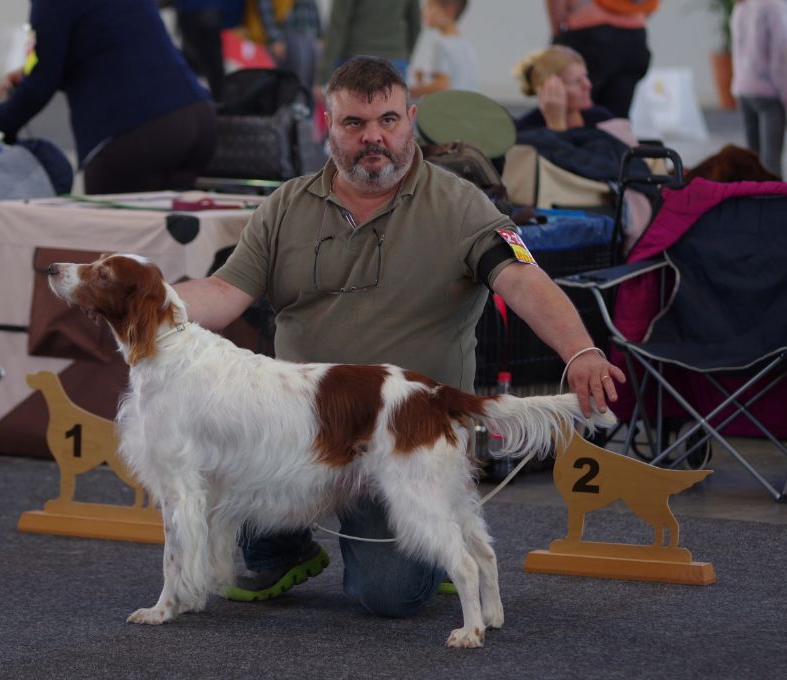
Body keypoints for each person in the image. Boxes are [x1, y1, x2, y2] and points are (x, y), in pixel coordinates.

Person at [172, 56, 625, 617]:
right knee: (219, 441)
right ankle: (283, 548)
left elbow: (523, 280)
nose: (373, 138)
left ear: (411, 119)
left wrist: (580, 351)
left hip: (400, 432)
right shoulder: (286, 204)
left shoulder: (462, 204)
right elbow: (222, 293)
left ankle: (427, 552)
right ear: (327, 125)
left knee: (387, 596)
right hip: (297, 426)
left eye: (387, 120)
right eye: (353, 124)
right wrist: (147, 300)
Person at [0, 0, 216, 194]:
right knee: (168, 242)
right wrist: (31, 76)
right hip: (197, 118)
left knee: (107, 238)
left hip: (137, 132)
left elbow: (42, 83)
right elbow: (107, 52)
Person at [545, 0, 653, 119]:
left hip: (588, 30)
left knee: (570, 114)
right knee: (615, 120)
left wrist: (559, 32)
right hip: (634, 35)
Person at [730, 0, 787, 177]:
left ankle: (753, 204)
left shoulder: (742, 5)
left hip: (744, 89)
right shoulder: (774, 7)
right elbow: (781, 59)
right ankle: (773, 204)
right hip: (769, 94)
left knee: (752, 166)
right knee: (771, 166)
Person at [316, 0, 422, 94]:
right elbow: (415, 24)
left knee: (353, 114)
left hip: (354, 60)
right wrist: (405, 56)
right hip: (395, 60)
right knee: (390, 113)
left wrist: (322, 77)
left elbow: (337, 26)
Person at [512, 45, 613, 132]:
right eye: (576, 81)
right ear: (549, 88)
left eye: (585, 76)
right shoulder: (527, 129)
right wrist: (556, 125)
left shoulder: (600, 118)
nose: (588, 85)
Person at [409, 0, 479, 98]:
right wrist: (423, 80)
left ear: (448, 11)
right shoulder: (467, 46)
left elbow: (441, 86)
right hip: (467, 108)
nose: (423, 11)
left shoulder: (440, 45)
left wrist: (407, 91)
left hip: (449, 110)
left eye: (430, 6)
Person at [253, 0, 323, 94]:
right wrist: (275, 37)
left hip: (309, 33)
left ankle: (302, 106)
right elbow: (265, 6)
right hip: (286, 32)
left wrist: (319, 33)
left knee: (308, 84)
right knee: (291, 84)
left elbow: (311, 4)